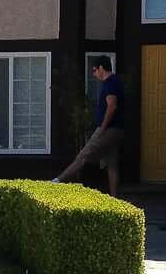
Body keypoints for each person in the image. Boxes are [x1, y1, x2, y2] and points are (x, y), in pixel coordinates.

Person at [52, 56, 124, 197]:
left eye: (94, 70)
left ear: (101, 68)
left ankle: (57, 181)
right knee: (112, 164)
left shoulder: (110, 83)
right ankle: (115, 199)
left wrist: (103, 127)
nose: (94, 74)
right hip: (116, 129)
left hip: (108, 129)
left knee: (83, 155)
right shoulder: (115, 82)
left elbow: (112, 106)